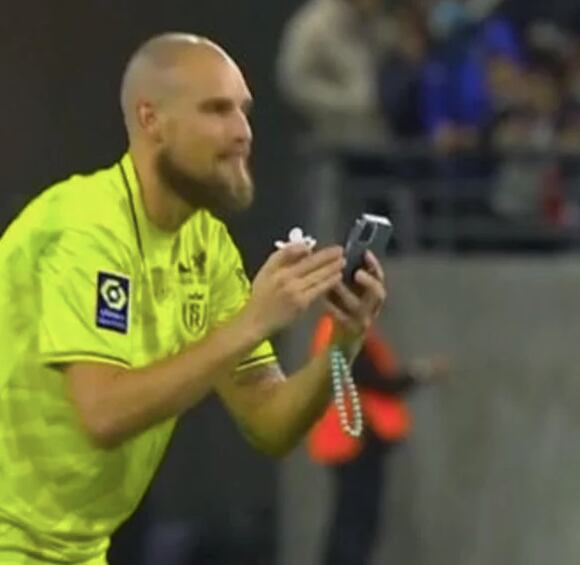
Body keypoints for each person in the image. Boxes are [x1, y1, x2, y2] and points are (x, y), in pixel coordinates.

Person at [0, 33, 387, 564]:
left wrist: (345, 337)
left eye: (244, 112)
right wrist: (250, 324)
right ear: (150, 120)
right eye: (216, 110)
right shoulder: (84, 229)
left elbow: (270, 421)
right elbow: (103, 413)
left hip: (74, 550)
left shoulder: (206, 245)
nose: (242, 132)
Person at [307, 316, 449, 565]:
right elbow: (376, 380)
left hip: (351, 441)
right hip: (354, 444)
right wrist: (421, 372)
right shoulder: (344, 332)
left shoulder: (344, 330)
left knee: (352, 520)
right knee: (356, 522)